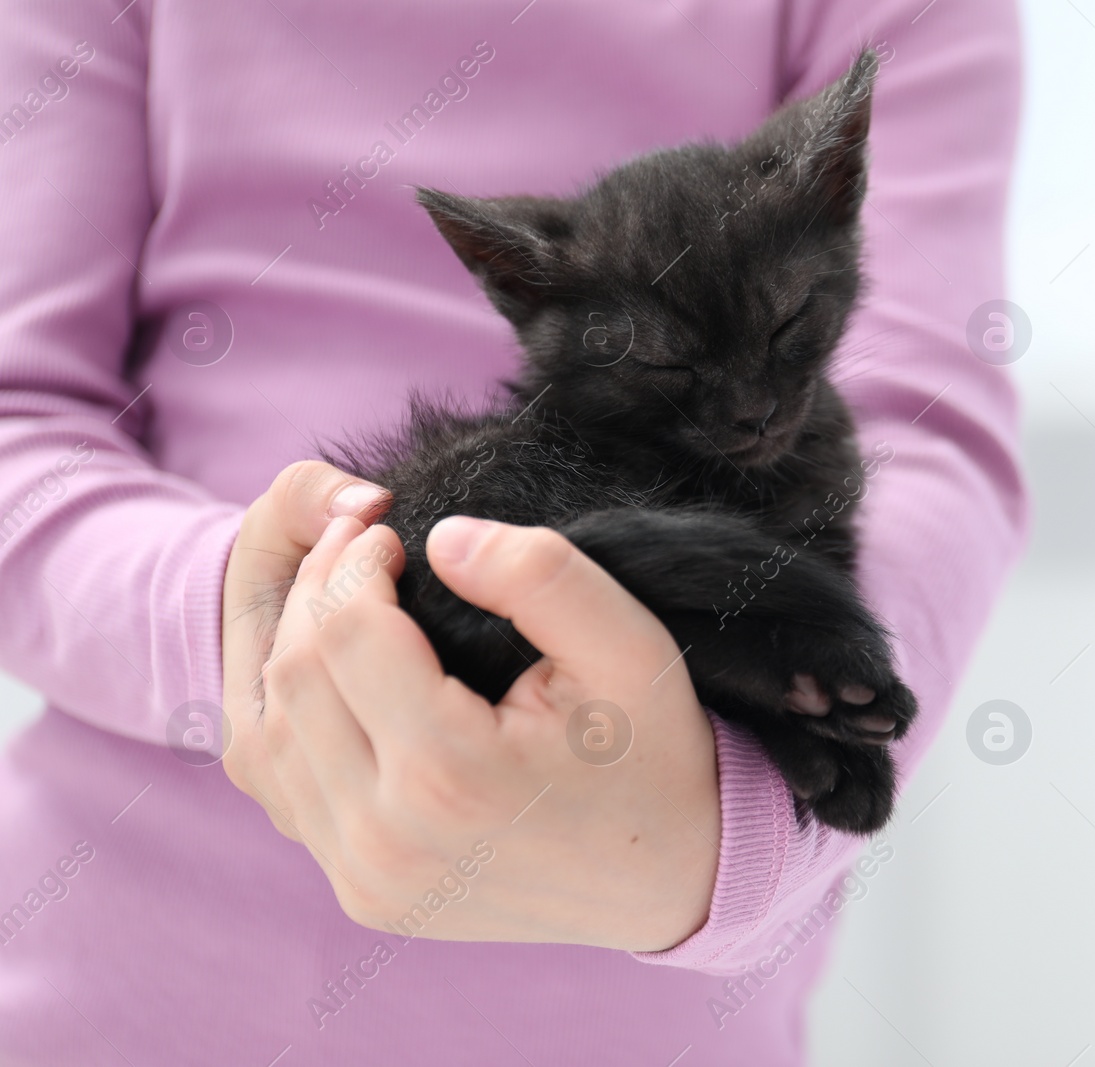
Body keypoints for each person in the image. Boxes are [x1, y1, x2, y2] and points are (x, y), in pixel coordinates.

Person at [0, 0, 1024, 1062]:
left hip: (638, 1012)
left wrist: (737, 822)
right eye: (678, 368)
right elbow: (15, 416)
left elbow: (933, 418)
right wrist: (282, 619)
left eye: (782, 336)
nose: (757, 408)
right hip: (132, 981)